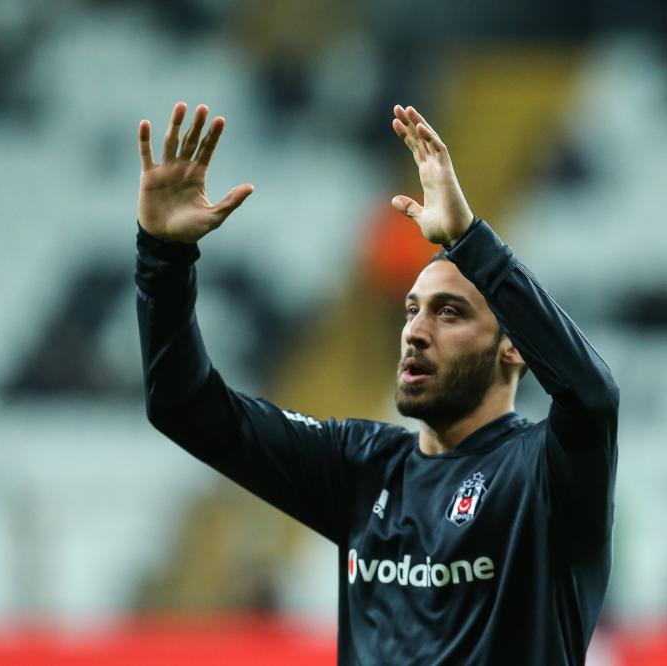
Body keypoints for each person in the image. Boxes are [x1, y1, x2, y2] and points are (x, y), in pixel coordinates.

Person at [135, 101, 619, 665]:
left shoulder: (546, 474)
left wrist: (470, 241)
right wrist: (163, 257)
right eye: (412, 310)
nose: (414, 330)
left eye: (449, 313)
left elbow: (591, 396)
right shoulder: (361, 466)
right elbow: (184, 407)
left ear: (515, 345)